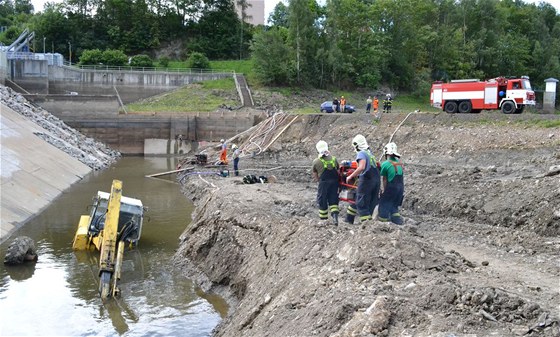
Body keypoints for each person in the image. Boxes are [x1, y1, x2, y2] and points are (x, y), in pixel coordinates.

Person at [345, 134, 380, 224]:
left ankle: (366, 225)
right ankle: (349, 220)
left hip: (367, 181)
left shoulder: (361, 153)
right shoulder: (370, 153)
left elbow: (361, 167)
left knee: (361, 203)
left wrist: (350, 176)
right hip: (376, 181)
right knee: (367, 203)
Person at [312, 140, 340, 225]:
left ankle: (324, 220)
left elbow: (315, 174)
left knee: (322, 200)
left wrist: (318, 181)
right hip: (335, 183)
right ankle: (335, 218)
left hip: (324, 183)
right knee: (333, 199)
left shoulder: (316, 161)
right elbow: (338, 170)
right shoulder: (334, 159)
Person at [378, 142, 404, 225]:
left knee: (384, 206)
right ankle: (398, 222)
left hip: (391, 188)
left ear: (386, 153)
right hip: (400, 189)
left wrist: (383, 190)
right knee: (394, 206)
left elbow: (384, 179)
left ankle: (384, 224)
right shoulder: (399, 164)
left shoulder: (385, 164)